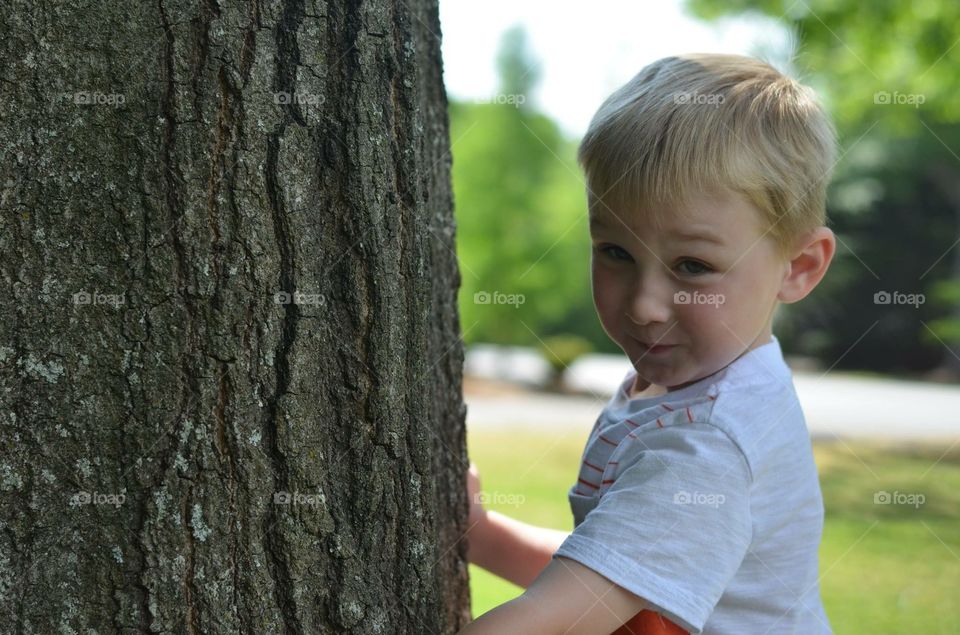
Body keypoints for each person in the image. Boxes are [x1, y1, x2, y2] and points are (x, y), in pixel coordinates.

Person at [459, 53, 838, 634]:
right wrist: (481, 536)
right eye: (616, 252)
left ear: (798, 266)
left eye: (692, 265)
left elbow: (554, 620)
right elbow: (617, 575)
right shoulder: (705, 387)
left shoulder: (707, 444)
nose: (644, 304)